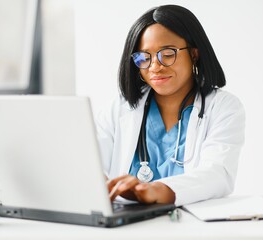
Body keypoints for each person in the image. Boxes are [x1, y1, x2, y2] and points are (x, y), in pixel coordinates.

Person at [95, 5, 245, 206]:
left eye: (167, 54)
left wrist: (157, 190)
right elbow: (91, 166)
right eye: (144, 58)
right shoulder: (120, 108)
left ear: (194, 53)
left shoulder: (223, 107)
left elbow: (218, 174)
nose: (155, 67)